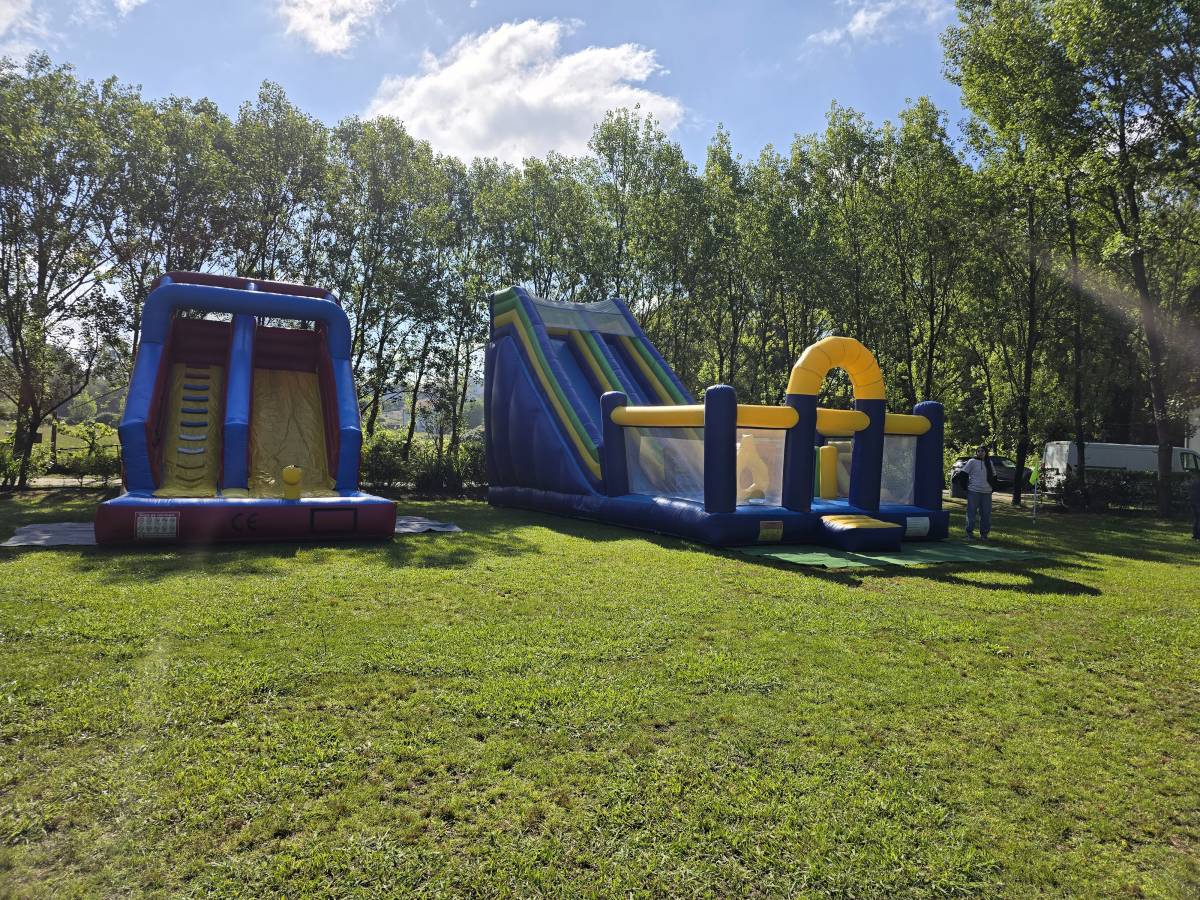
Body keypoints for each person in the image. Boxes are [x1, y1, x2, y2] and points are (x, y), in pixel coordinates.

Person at [961, 444, 995, 540]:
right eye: (978, 451)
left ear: (986, 453)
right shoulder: (972, 461)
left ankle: (984, 534)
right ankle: (969, 534)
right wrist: (965, 488)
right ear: (976, 452)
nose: (980, 453)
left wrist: (993, 488)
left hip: (987, 493)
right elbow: (963, 474)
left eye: (982, 451)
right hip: (973, 491)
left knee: (986, 514)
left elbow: (994, 477)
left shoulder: (989, 462)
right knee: (971, 513)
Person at [1190, 471, 1200, 541]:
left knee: (1196, 519)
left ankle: (1195, 535)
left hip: (1193, 502)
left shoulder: (1194, 483)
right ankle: (1198, 535)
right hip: (1197, 503)